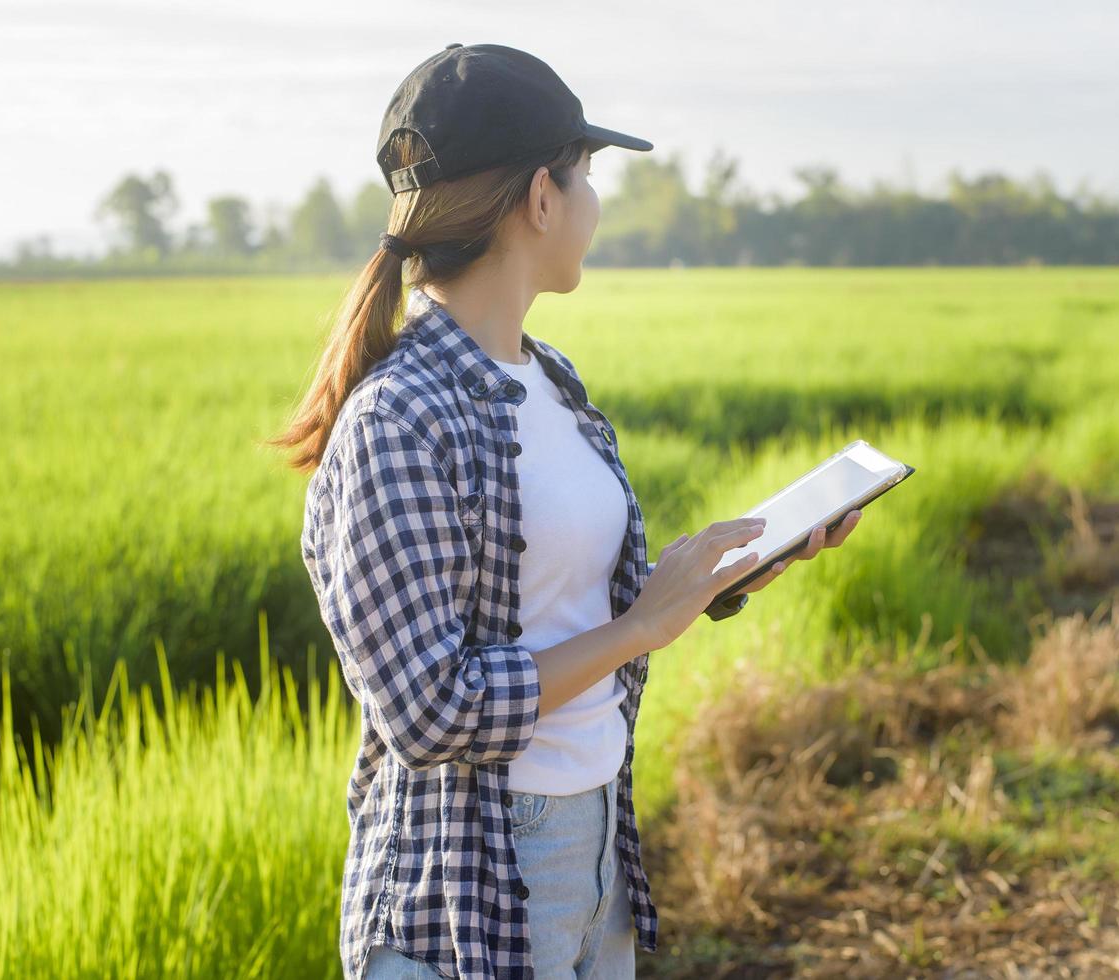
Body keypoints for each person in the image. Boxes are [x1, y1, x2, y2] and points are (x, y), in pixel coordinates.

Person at [269, 43, 862, 980]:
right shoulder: (397, 420)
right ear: (541, 199)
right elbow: (429, 709)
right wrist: (641, 628)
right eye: (586, 177)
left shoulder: (549, 380)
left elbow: (572, 603)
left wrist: (726, 571)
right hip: (472, 884)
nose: (595, 205)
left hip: (597, 845)